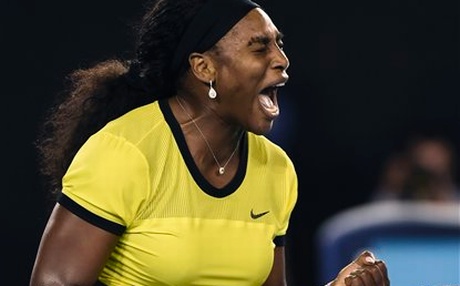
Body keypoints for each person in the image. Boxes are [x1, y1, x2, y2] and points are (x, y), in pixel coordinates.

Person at [30, 0, 390, 285]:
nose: (282, 60)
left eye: (278, 44)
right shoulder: (125, 152)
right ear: (204, 68)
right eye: (260, 47)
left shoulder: (276, 170)